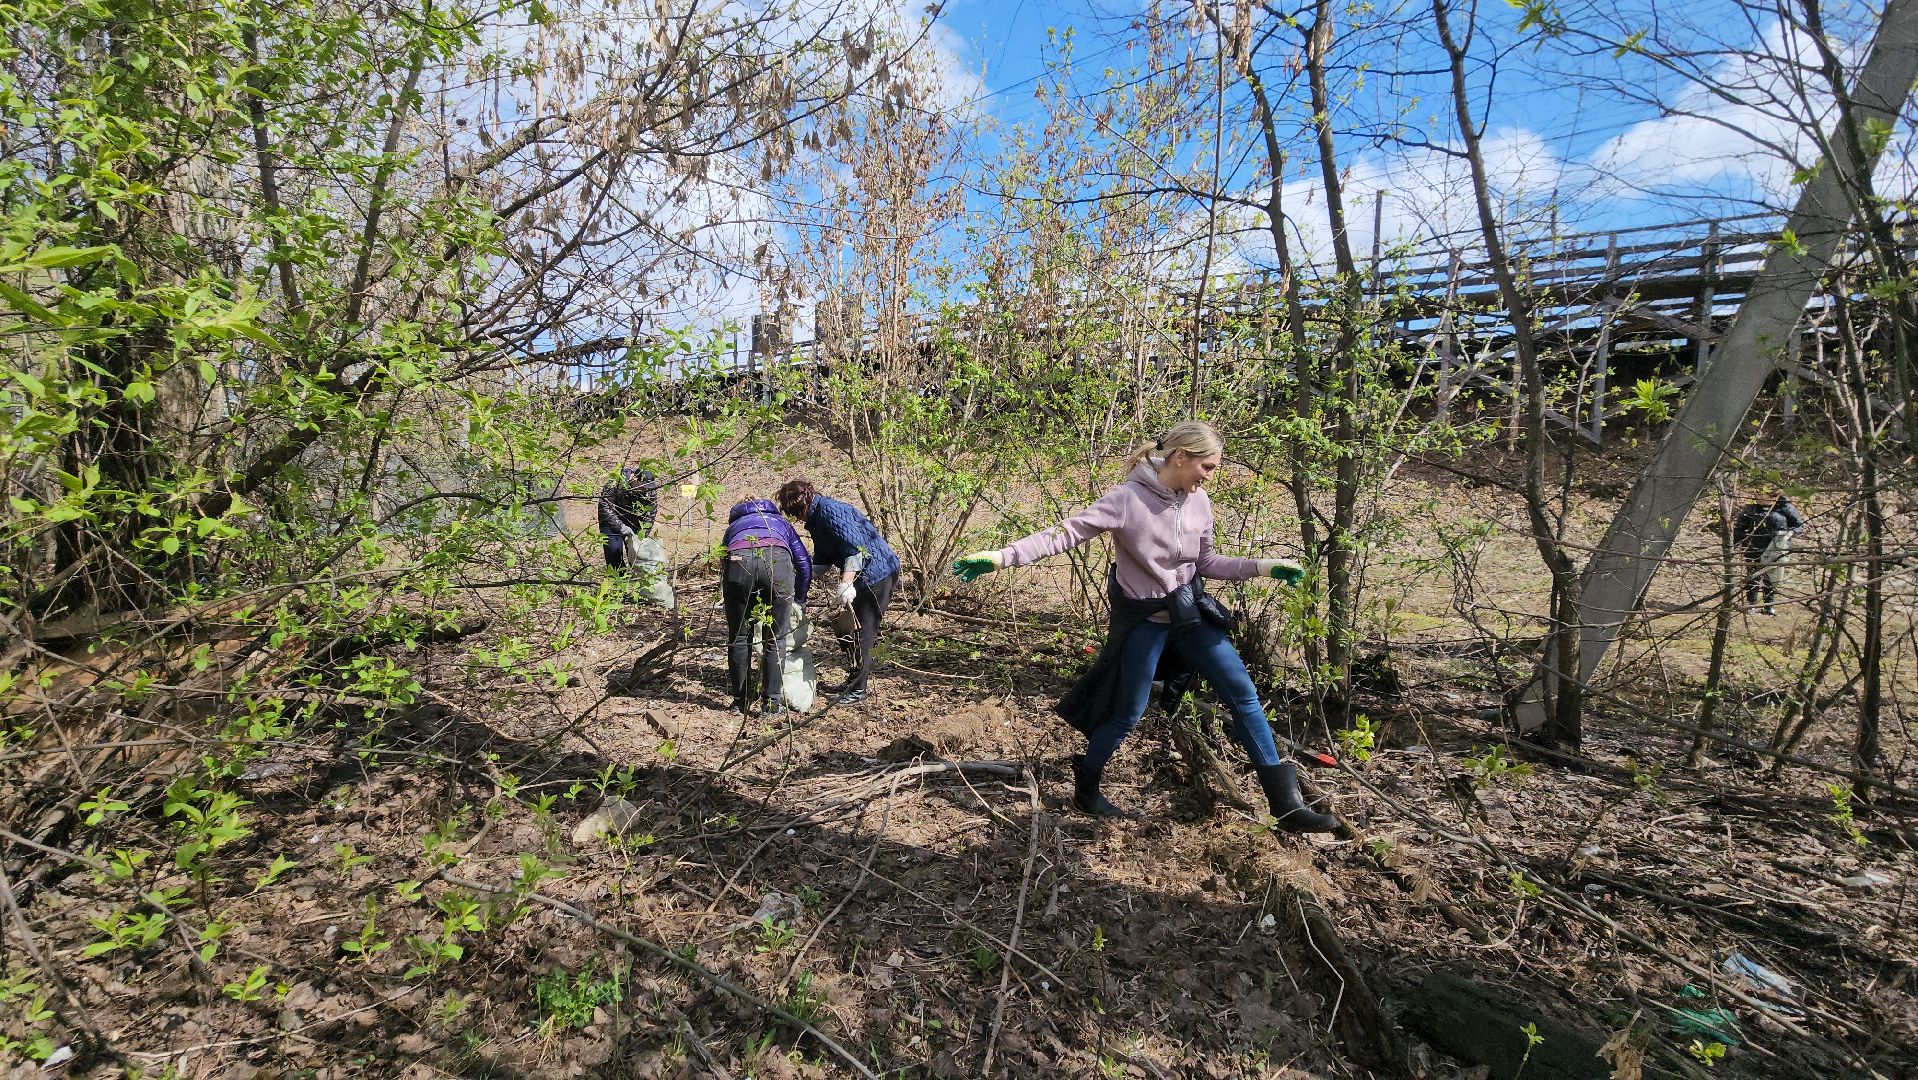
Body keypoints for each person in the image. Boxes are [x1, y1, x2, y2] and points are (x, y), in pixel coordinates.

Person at [951, 420, 1335, 832]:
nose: (1209, 477)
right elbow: (1062, 535)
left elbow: (1205, 563)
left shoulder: (1199, 501)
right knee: (1127, 714)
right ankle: (1087, 786)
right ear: (1180, 456)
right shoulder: (1126, 499)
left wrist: (1263, 567)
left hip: (1190, 614)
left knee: (1243, 694)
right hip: (1145, 621)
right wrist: (1001, 556)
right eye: (1206, 466)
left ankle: (1286, 806)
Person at [774, 480, 900, 705]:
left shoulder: (831, 511)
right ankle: (853, 681)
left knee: (862, 633)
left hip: (877, 575)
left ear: (803, 503)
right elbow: (823, 558)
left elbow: (854, 550)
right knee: (847, 630)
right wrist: (801, 574)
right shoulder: (815, 520)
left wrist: (845, 584)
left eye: (796, 513)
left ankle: (858, 691)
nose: (798, 519)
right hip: (863, 576)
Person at [721, 498, 812, 715]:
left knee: (739, 637)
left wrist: (735, 592)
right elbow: (803, 562)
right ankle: (771, 704)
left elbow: (723, 561)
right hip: (777, 562)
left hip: (738, 563)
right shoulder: (780, 523)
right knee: (776, 638)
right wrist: (799, 598)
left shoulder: (733, 527)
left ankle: (740, 702)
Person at [1733, 492, 1804, 615]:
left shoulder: (1785, 508)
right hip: (1753, 546)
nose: (1760, 498)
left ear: (1774, 496)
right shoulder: (1750, 509)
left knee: (1771, 575)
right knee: (1753, 575)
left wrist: (1788, 534)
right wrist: (1735, 544)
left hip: (1776, 547)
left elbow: (1799, 526)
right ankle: (1751, 603)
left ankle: (1768, 604)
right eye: (1758, 495)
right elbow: (1739, 528)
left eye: (1764, 495)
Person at [597, 466, 658, 569]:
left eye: (646, 488)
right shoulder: (616, 482)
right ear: (634, 479)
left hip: (634, 520)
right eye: (641, 486)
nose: (643, 490)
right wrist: (621, 527)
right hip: (611, 519)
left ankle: (636, 577)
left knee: (636, 553)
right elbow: (604, 506)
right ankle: (618, 580)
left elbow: (650, 514)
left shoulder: (649, 490)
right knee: (614, 553)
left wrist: (642, 534)